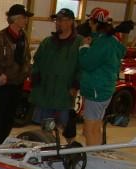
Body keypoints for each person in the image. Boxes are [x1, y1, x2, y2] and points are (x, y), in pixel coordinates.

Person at [0, 4, 33, 144]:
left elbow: (26, 58)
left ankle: (2, 146)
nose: (26, 20)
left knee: (9, 119)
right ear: (15, 19)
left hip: (17, 84)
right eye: (24, 17)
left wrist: (28, 72)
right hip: (3, 85)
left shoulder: (23, 37)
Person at [29, 8, 81, 143]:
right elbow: (37, 62)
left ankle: (70, 150)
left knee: (67, 125)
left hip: (65, 91)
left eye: (62, 20)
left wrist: (76, 85)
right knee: (46, 125)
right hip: (46, 91)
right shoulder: (47, 42)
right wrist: (35, 77)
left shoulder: (79, 43)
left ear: (71, 22)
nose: (58, 23)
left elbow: (83, 66)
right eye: (57, 20)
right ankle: (47, 147)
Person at [78, 7, 126, 145]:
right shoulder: (112, 41)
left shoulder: (102, 43)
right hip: (105, 88)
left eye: (91, 22)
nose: (89, 25)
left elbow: (87, 63)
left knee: (89, 129)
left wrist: (84, 47)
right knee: (96, 127)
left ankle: (92, 159)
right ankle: (96, 154)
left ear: (96, 23)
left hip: (96, 90)